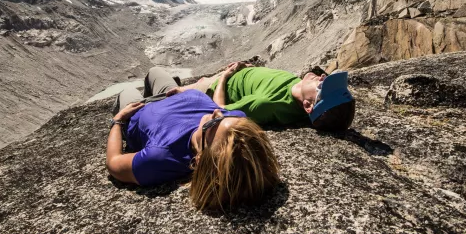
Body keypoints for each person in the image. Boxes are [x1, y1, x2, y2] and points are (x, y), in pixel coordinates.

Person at [106, 67, 280, 212]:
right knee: (154, 70)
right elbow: (218, 106)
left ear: (199, 158)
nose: (217, 113)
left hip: (137, 110)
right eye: (226, 117)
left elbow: (114, 163)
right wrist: (221, 79)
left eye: (213, 123)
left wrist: (119, 120)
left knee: (126, 90)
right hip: (174, 93)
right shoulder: (234, 126)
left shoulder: (161, 157)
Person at [169, 62, 355, 132]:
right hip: (241, 71)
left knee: (163, 83)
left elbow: (220, 109)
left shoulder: (267, 104)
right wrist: (250, 68)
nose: (322, 76)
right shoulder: (300, 88)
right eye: (327, 78)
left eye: (322, 86)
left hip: (215, 86)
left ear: (308, 106)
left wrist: (224, 75)